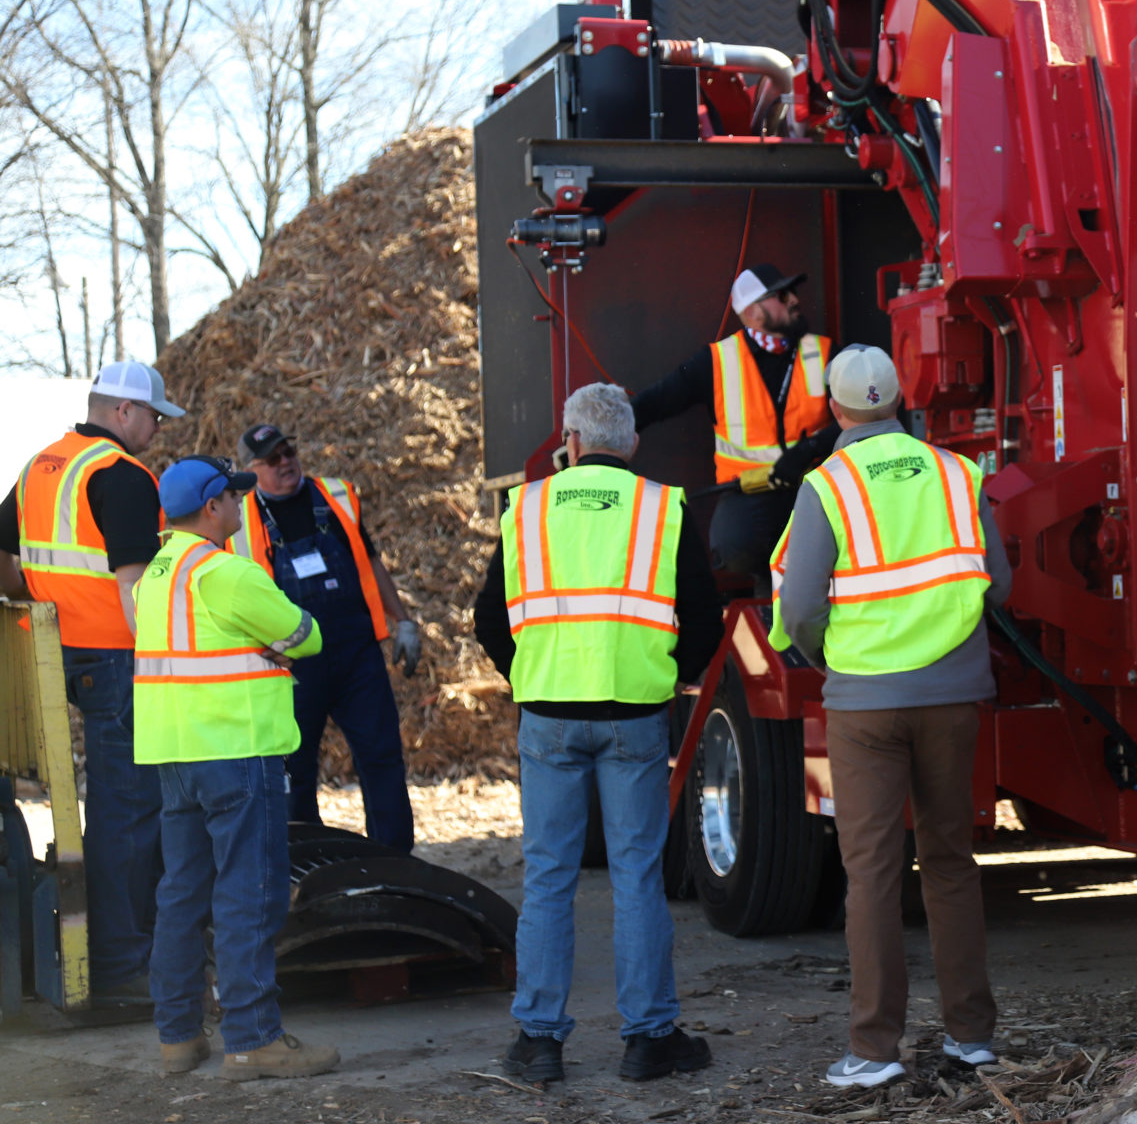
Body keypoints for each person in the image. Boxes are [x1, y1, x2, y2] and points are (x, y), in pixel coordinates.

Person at [768, 346, 1011, 1088]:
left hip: (866, 704)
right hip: (952, 697)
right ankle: (972, 1039)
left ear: (837, 411)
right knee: (950, 862)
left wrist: (823, 656)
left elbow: (800, 607)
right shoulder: (955, 473)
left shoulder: (827, 484)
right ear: (900, 400)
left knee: (871, 871)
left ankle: (875, 1051)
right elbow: (997, 586)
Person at [471, 383, 723, 1086]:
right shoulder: (661, 508)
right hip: (635, 715)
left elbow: (489, 617)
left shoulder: (525, 510)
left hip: (549, 715)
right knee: (637, 875)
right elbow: (704, 618)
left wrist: (533, 673)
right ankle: (649, 1039)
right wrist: (666, 675)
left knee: (549, 876)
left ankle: (540, 1044)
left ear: (570, 442)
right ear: (633, 444)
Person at [133, 455, 338, 1080]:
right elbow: (307, 635)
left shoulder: (156, 575)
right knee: (250, 891)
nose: (240, 506)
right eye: (234, 497)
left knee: (182, 893)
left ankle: (178, 1039)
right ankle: (252, 1040)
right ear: (213, 505)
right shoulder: (226, 573)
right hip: (235, 749)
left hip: (174, 753)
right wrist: (274, 639)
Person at [0, 361, 179, 1000]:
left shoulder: (42, 465)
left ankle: (121, 950)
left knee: (112, 807)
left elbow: (6, 559)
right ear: (123, 412)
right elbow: (134, 587)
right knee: (129, 810)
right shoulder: (124, 477)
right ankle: (121, 962)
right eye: (155, 416)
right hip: (119, 659)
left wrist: (39, 601)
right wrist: (166, 660)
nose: (158, 429)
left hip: (62, 654)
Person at [230, 423, 418, 852]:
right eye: (273, 459)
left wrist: (403, 621)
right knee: (294, 770)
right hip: (289, 665)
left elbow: (370, 562)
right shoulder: (236, 520)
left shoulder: (336, 498)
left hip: (356, 654)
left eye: (289, 451)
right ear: (251, 470)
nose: (286, 463)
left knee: (382, 759)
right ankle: (303, 864)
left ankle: (394, 862)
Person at [627, 263, 836, 581]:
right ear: (752, 312)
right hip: (750, 493)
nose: (794, 300)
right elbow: (654, 403)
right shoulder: (716, 362)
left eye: (792, 292)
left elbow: (861, 415)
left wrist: (809, 450)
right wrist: (593, 440)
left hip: (817, 487)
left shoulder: (825, 353)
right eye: (782, 295)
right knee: (734, 546)